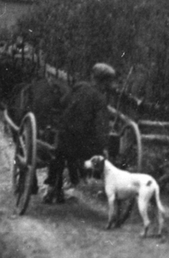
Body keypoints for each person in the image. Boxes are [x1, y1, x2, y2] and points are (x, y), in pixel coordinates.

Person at [45, 62, 116, 203]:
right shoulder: (100, 100)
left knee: (58, 153)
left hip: (65, 139)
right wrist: (104, 147)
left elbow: (63, 102)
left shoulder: (79, 87)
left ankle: (52, 189)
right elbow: (101, 127)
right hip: (84, 147)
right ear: (105, 82)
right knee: (78, 150)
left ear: (93, 77)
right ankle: (73, 182)